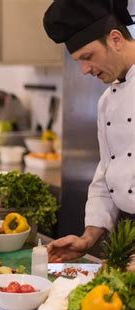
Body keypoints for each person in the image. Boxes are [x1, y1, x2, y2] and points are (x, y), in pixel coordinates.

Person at [43, 0, 135, 262]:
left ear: (115, 39)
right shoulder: (106, 101)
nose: (84, 70)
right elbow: (107, 171)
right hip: (126, 234)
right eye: (78, 60)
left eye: (87, 57)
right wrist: (88, 237)